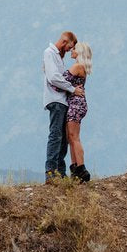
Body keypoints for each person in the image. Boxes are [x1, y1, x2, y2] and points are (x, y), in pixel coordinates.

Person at [42, 31, 83, 181]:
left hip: (62, 100)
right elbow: (54, 77)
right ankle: (51, 172)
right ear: (65, 41)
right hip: (56, 99)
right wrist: (73, 89)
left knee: (63, 138)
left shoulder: (58, 57)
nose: (69, 50)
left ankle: (60, 171)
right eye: (70, 46)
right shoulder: (50, 53)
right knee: (56, 135)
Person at [64, 41, 93, 182]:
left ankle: (80, 168)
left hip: (75, 103)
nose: (71, 50)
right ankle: (75, 167)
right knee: (72, 137)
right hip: (78, 104)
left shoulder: (77, 66)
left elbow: (61, 81)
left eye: (74, 49)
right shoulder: (82, 67)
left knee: (74, 137)